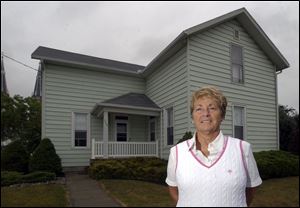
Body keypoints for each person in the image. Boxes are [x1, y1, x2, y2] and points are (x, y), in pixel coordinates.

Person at [165, 86, 262, 207]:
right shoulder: (177, 152)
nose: (205, 114)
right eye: (199, 109)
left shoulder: (243, 149)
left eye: (212, 108)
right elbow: (173, 188)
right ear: (192, 117)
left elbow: (251, 189)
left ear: (222, 115)